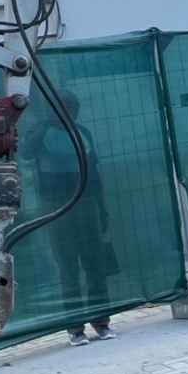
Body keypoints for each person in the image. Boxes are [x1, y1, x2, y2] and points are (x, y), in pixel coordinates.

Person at [35, 89, 118, 346]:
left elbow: (94, 172)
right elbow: (25, 153)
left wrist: (102, 210)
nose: (70, 111)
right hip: (57, 208)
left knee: (95, 265)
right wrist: (43, 127)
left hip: (87, 205)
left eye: (73, 106)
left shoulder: (83, 133)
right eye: (64, 107)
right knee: (68, 268)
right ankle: (75, 329)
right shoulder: (41, 133)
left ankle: (101, 323)